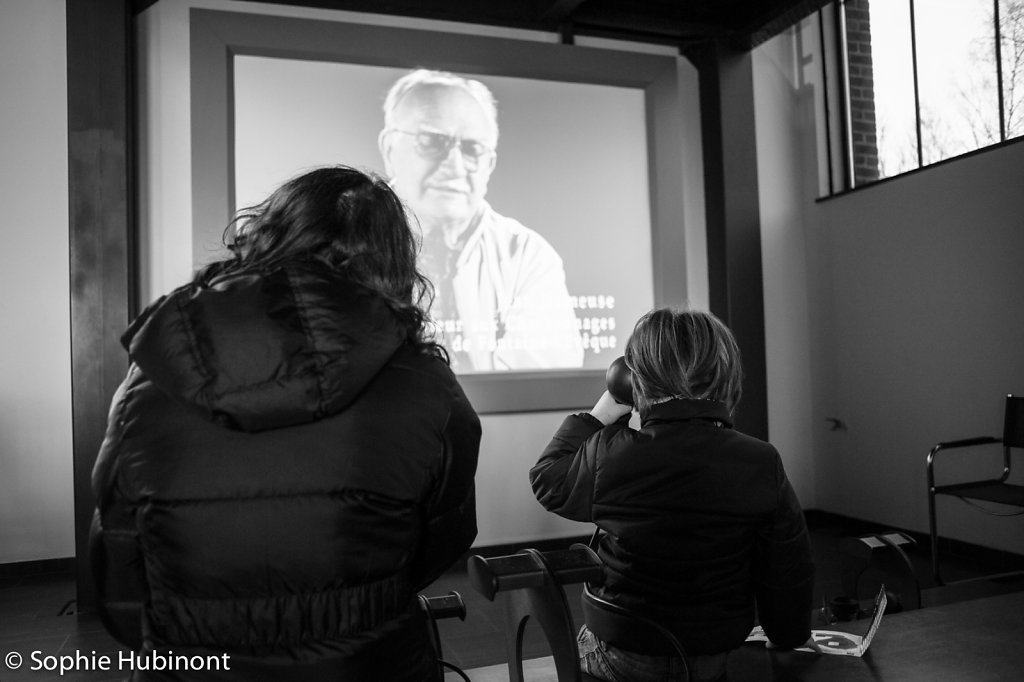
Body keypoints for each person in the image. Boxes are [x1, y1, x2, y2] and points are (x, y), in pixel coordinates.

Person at [89, 166, 481, 681]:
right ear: (393, 263)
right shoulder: (428, 384)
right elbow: (443, 539)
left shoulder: (155, 372)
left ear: (270, 234)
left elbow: (118, 565)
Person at [530, 308, 814, 682]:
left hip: (623, 653)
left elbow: (548, 479)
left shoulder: (609, 453)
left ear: (632, 381)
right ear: (725, 375)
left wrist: (602, 412)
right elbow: (786, 571)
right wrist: (788, 638)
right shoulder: (760, 461)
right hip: (715, 656)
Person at [378, 68, 583, 372]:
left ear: (489, 164)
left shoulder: (527, 255)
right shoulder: (347, 240)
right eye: (432, 141)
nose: (454, 165)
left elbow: (542, 371)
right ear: (389, 148)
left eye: (472, 149)